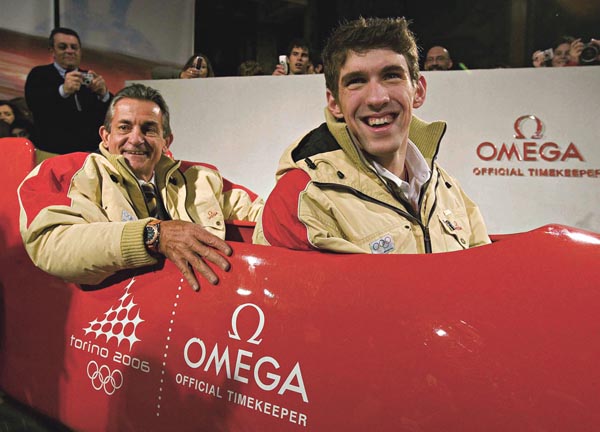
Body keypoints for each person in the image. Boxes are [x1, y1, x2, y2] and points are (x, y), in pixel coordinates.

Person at [252, 17, 490, 254]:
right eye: (356, 81)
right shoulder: (300, 197)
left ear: (418, 91)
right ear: (334, 103)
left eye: (391, 75)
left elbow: (485, 276)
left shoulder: (446, 187)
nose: (377, 98)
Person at [19, 83, 264, 292]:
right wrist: (153, 235)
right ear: (106, 135)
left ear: (166, 141)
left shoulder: (201, 178)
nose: (136, 139)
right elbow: (51, 243)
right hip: (114, 327)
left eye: (149, 129)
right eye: (124, 127)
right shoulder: (68, 171)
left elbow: (265, 219)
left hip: (197, 319)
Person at [25, 27, 112, 154]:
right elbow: (35, 104)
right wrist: (63, 91)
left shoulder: (89, 78)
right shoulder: (39, 74)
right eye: (62, 47)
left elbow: (111, 114)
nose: (69, 51)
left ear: (80, 51)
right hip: (51, 150)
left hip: (90, 152)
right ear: (52, 50)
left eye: (74, 47)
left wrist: (104, 94)